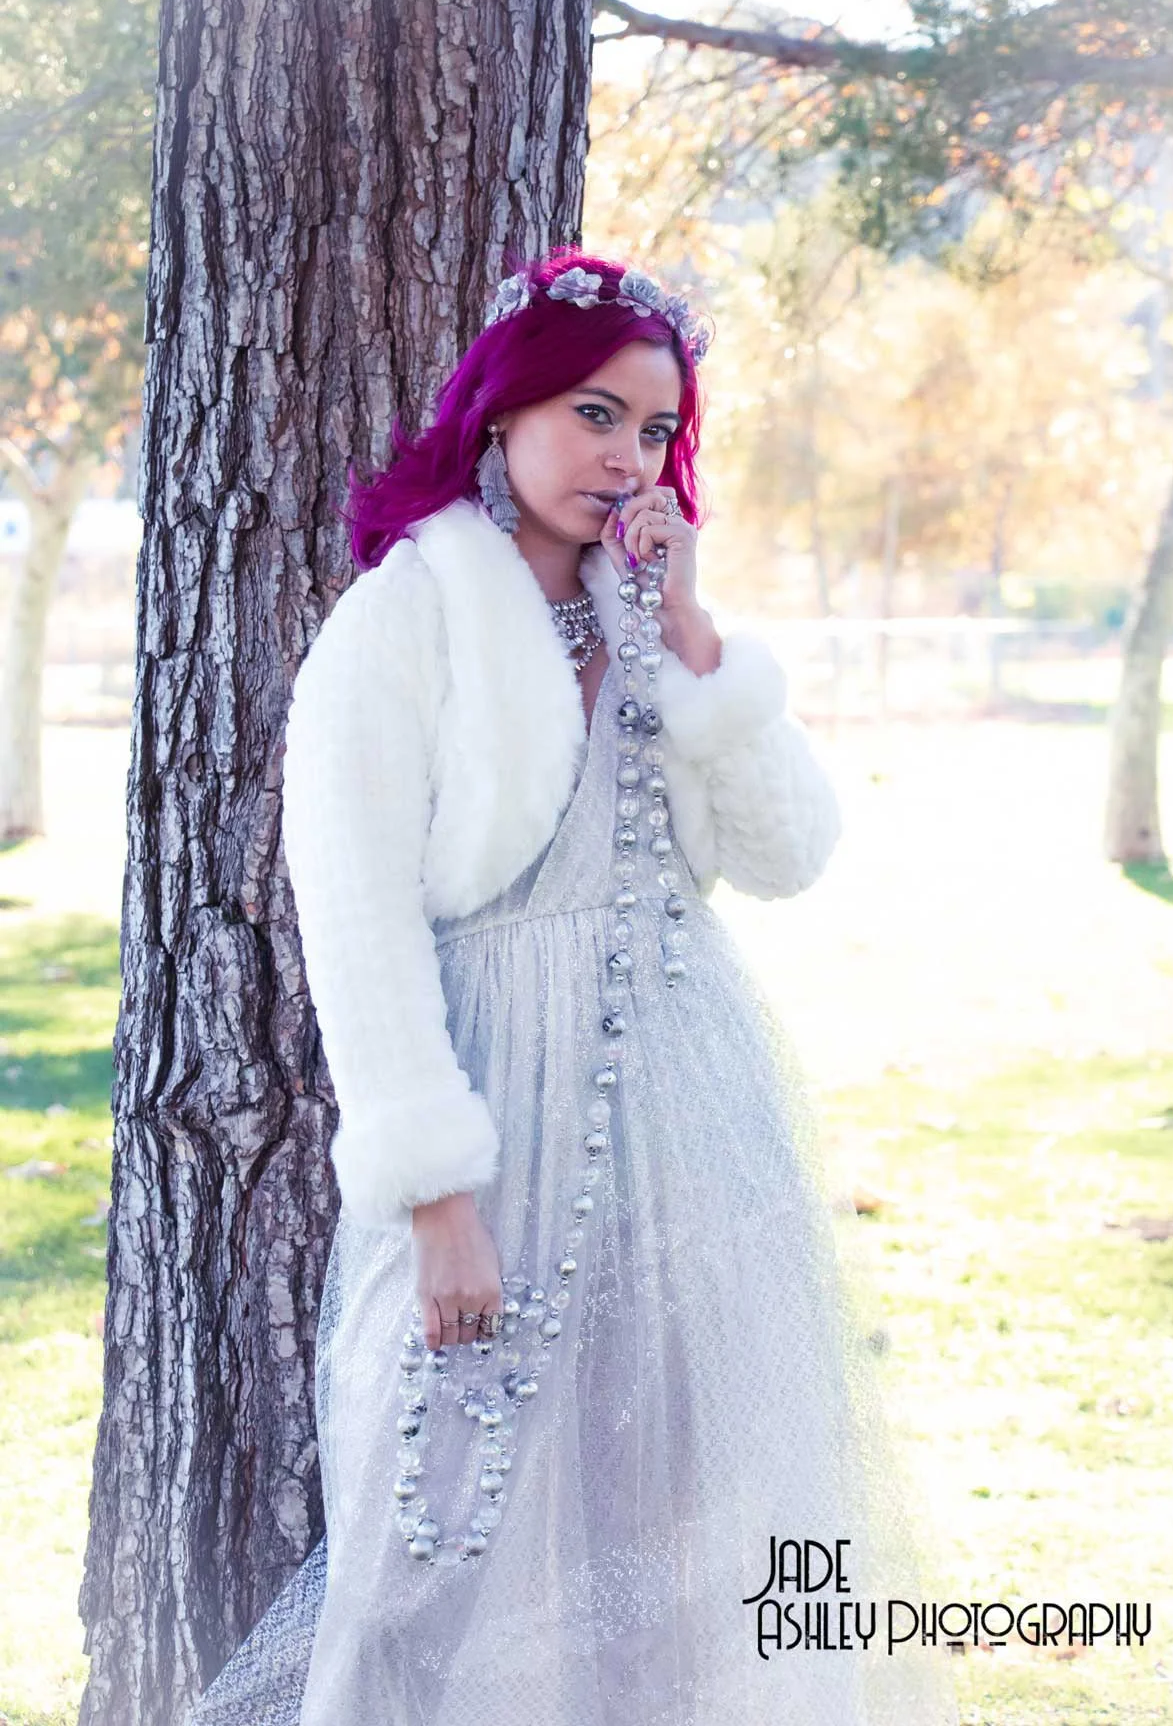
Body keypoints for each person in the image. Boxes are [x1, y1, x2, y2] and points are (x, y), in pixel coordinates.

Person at [187, 248, 958, 1724]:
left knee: (684, 1504)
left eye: (659, 431)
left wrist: (691, 636)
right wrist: (435, 1192)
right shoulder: (402, 621)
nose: (628, 457)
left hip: (691, 1121)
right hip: (493, 1116)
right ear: (503, 411)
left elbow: (788, 854)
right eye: (597, 415)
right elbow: (353, 920)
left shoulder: (650, 620)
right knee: (443, 1525)